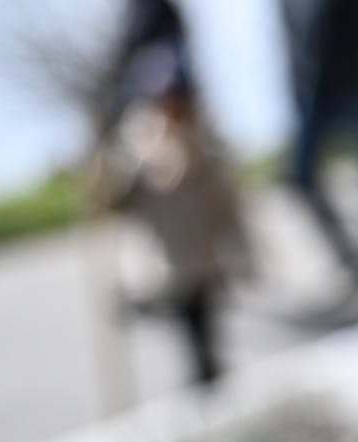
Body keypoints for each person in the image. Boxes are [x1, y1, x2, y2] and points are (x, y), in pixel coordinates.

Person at [94, 9, 252, 385]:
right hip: (167, 258)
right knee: (188, 320)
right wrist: (105, 176)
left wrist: (241, 249)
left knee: (205, 322)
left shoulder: (203, 139)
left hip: (203, 255)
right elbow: (119, 200)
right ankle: (145, 308)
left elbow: (227, 200)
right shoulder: (140, 139)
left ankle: (208, 373)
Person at [283, 0, 358, 315]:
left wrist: (342, 54)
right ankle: (354, 266)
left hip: (355, 81)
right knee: (302, 179)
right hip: (311, 91)